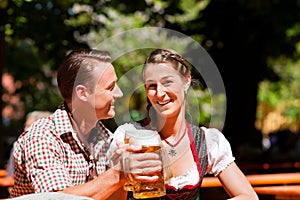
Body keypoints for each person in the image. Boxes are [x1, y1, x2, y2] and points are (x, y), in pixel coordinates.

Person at [111, 48, 259, 199]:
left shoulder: (207, 141)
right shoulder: (127, 137)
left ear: (186, 81)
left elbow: (248, 196)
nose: (160, 93)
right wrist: (121, 173)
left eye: (167, 82)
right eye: (152, 86)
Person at [11, 49, 149, 199]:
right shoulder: (43, 136)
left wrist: (121, 177)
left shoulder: (106, 138)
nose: (119, 93)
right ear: (82, 93)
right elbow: (54, 198)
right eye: (110, 87)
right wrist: (117, 174)